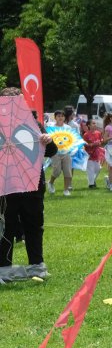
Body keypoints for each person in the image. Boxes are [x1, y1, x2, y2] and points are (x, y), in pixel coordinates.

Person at [0, 87, 57, 280]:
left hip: (32, 186)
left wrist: (47, 140)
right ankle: (4, 268)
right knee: (6, 227)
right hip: (5, 188)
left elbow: (51, 151)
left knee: (33, 225)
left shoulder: (33, 124)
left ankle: (36, 265)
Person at [46, 110, 74, 196]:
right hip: (55, 152)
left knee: (68, 172)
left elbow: (72, 139)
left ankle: (66, 190)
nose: (60, 118)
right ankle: (50, 182)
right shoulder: (51, 128)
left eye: (62, 116)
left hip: (66, 152)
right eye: (58, 116)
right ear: (55, 118)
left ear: (64, 117)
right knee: (57, 171)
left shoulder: (68, 128)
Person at [82, 120, 105, 189]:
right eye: (93, 123)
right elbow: (84, 144)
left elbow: (101, 141)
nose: (95, 124)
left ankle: (92, 181)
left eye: (95, 123)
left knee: (98, 168)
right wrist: (92, 144)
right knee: (90, 169)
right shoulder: (86, 135)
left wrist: (100, 142)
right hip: (89, 155)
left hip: (97, 154)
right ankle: (91, 184)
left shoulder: (98, 133)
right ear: (89, 125)